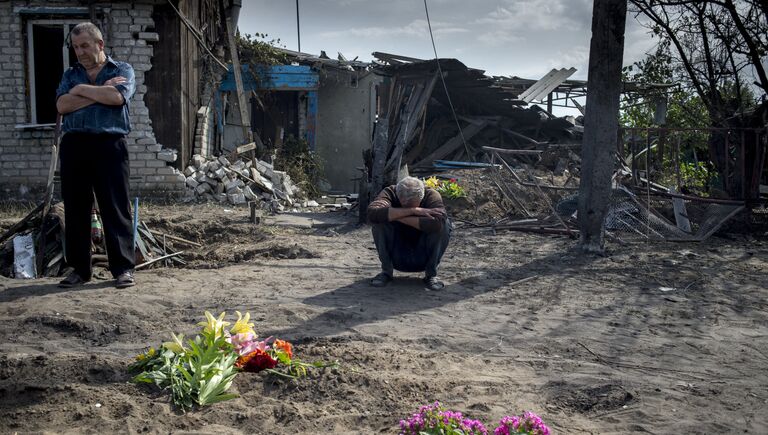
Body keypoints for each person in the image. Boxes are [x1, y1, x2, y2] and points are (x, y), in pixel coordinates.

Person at [55, 22, 136, 289]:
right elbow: (62, 105)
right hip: (75, 145)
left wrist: (79, 91)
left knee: (115, 206)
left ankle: (123, 268)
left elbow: (117, 98)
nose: (80, 52)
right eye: (76, 47)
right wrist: (95, 93)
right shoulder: (71, 73)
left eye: (85, 46)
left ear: (100, 44)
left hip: (109, 144)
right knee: (76, 207)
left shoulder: (121, 69)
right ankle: (80, 269)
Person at [367, 176, 452, 291]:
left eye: (413, 205)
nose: (409, 207)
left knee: (444, 224)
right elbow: (372, 214)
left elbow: (438, 223)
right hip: (396, 253)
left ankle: (431, 274)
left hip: (423, 253)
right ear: (398, 195)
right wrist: (414, 211)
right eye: (405, 205)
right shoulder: (390, 192)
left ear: (421, 197)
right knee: (379, 222)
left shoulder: (431, 195)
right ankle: (386, 272)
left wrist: (394, 215)